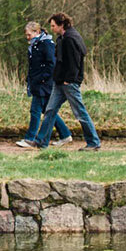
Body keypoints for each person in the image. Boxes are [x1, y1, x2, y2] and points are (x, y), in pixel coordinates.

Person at [26, 12, 101, 151]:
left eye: (54, 26)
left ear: (61, 25)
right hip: (59, 82)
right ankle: (41, 141)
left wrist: (69, 79)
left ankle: (93, 142)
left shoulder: (71, 39)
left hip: (68, 83)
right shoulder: (62, 38)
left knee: (80, 112)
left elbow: (75, 61)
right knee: (50, 110)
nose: (52, 28)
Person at [15, 20, 71, 149]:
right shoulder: (35, 45)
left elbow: (51, 63)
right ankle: (65, 134)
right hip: (37, 82)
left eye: (29, 35)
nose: (27, 38)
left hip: (44, 83)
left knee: (35, 110)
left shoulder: (46, 44)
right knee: (48, 111)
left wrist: (42, 79)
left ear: (37, 32)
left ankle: (30, 138)